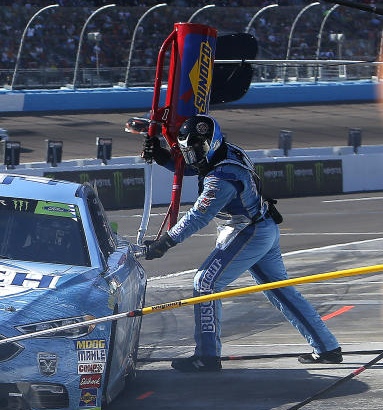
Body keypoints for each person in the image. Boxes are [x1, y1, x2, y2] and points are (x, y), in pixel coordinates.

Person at [142, 114, 341, 371]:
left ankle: (207, 356)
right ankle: (327, 347)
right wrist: (165, 159)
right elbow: (196, 166)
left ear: (210, 144)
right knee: (282, 290)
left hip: (248, 232)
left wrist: (165, 242)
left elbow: (197, 217)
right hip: (261, 226)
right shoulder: (227, 151)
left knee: (205, 283)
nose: (191, 157)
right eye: (186, 151)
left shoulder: (221, 179)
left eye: (194, 150)